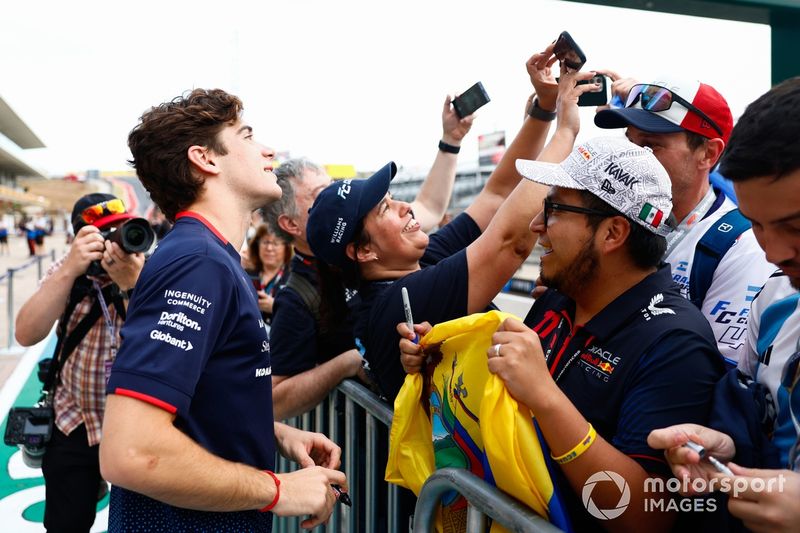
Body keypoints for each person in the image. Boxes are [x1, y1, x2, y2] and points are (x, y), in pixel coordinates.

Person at [99, 88, 346, 532]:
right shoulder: (199, 262)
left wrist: (271, 431)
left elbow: (197, 400)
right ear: (205, 159)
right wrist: (278, 490)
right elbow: (131, 451)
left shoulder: (209, 257)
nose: (268, 151)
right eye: (247, 136)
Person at [307, 45, 595, 402]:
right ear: (363, 252)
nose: (404, 207)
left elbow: (496, 197)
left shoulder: (416, 263)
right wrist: (565, 131)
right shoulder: (398, 303)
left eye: (392, 197)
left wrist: (544, 109)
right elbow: (510, 243)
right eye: (384, 209)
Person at [648, 77, 800, 533]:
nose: (773, 252)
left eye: (795, 226)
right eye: (756, 225)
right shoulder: (773, 302)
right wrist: (727, 446)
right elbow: (765, 428)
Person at [264, 95, 473, 419]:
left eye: (333, 185)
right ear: (290, 224)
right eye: (320, 195)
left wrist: (450, 141)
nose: (336, 197)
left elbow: (430, 207)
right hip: (367, 437)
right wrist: (348, 363)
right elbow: (274, 400)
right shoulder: (298, 295)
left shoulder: (380, 238)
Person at [593, 74, 775, 366]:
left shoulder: (741, 246)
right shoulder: (614, 217)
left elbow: (711, 376)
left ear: (708, 154)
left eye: (650, 146)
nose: (631, 159)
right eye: (630, 143)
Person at [14, 193, 145, 533]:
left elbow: (158, 344)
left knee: (141, 523)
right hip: (73, 421)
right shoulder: (67, 272)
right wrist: (71, 268)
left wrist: (132, 285)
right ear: (78, 240)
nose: (114, 243)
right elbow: (25, 334)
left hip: (138, 425)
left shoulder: (148, 272)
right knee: (66, 523)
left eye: (121, 230)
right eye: (102, 235)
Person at [245, 223, 291, 325]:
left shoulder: (293, 279)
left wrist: (276, 306)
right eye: (265, 242)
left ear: (286, 247)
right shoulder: (246, 275)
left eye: (275, 243)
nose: (269, 248)